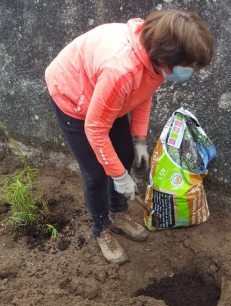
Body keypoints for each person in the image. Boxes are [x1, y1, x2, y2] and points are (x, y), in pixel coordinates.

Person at [45, 10, 214, 264]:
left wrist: (139, 141)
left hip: (104, 95)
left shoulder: (157, 61)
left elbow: (143, 94)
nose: (189, 70)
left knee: (123, 153)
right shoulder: (121, 71)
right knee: (96, 171)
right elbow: (95, 128)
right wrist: (118, 175)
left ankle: (118, 213)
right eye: (187, 65)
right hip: (74, 96)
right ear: (166, 56)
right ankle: (101, 227)